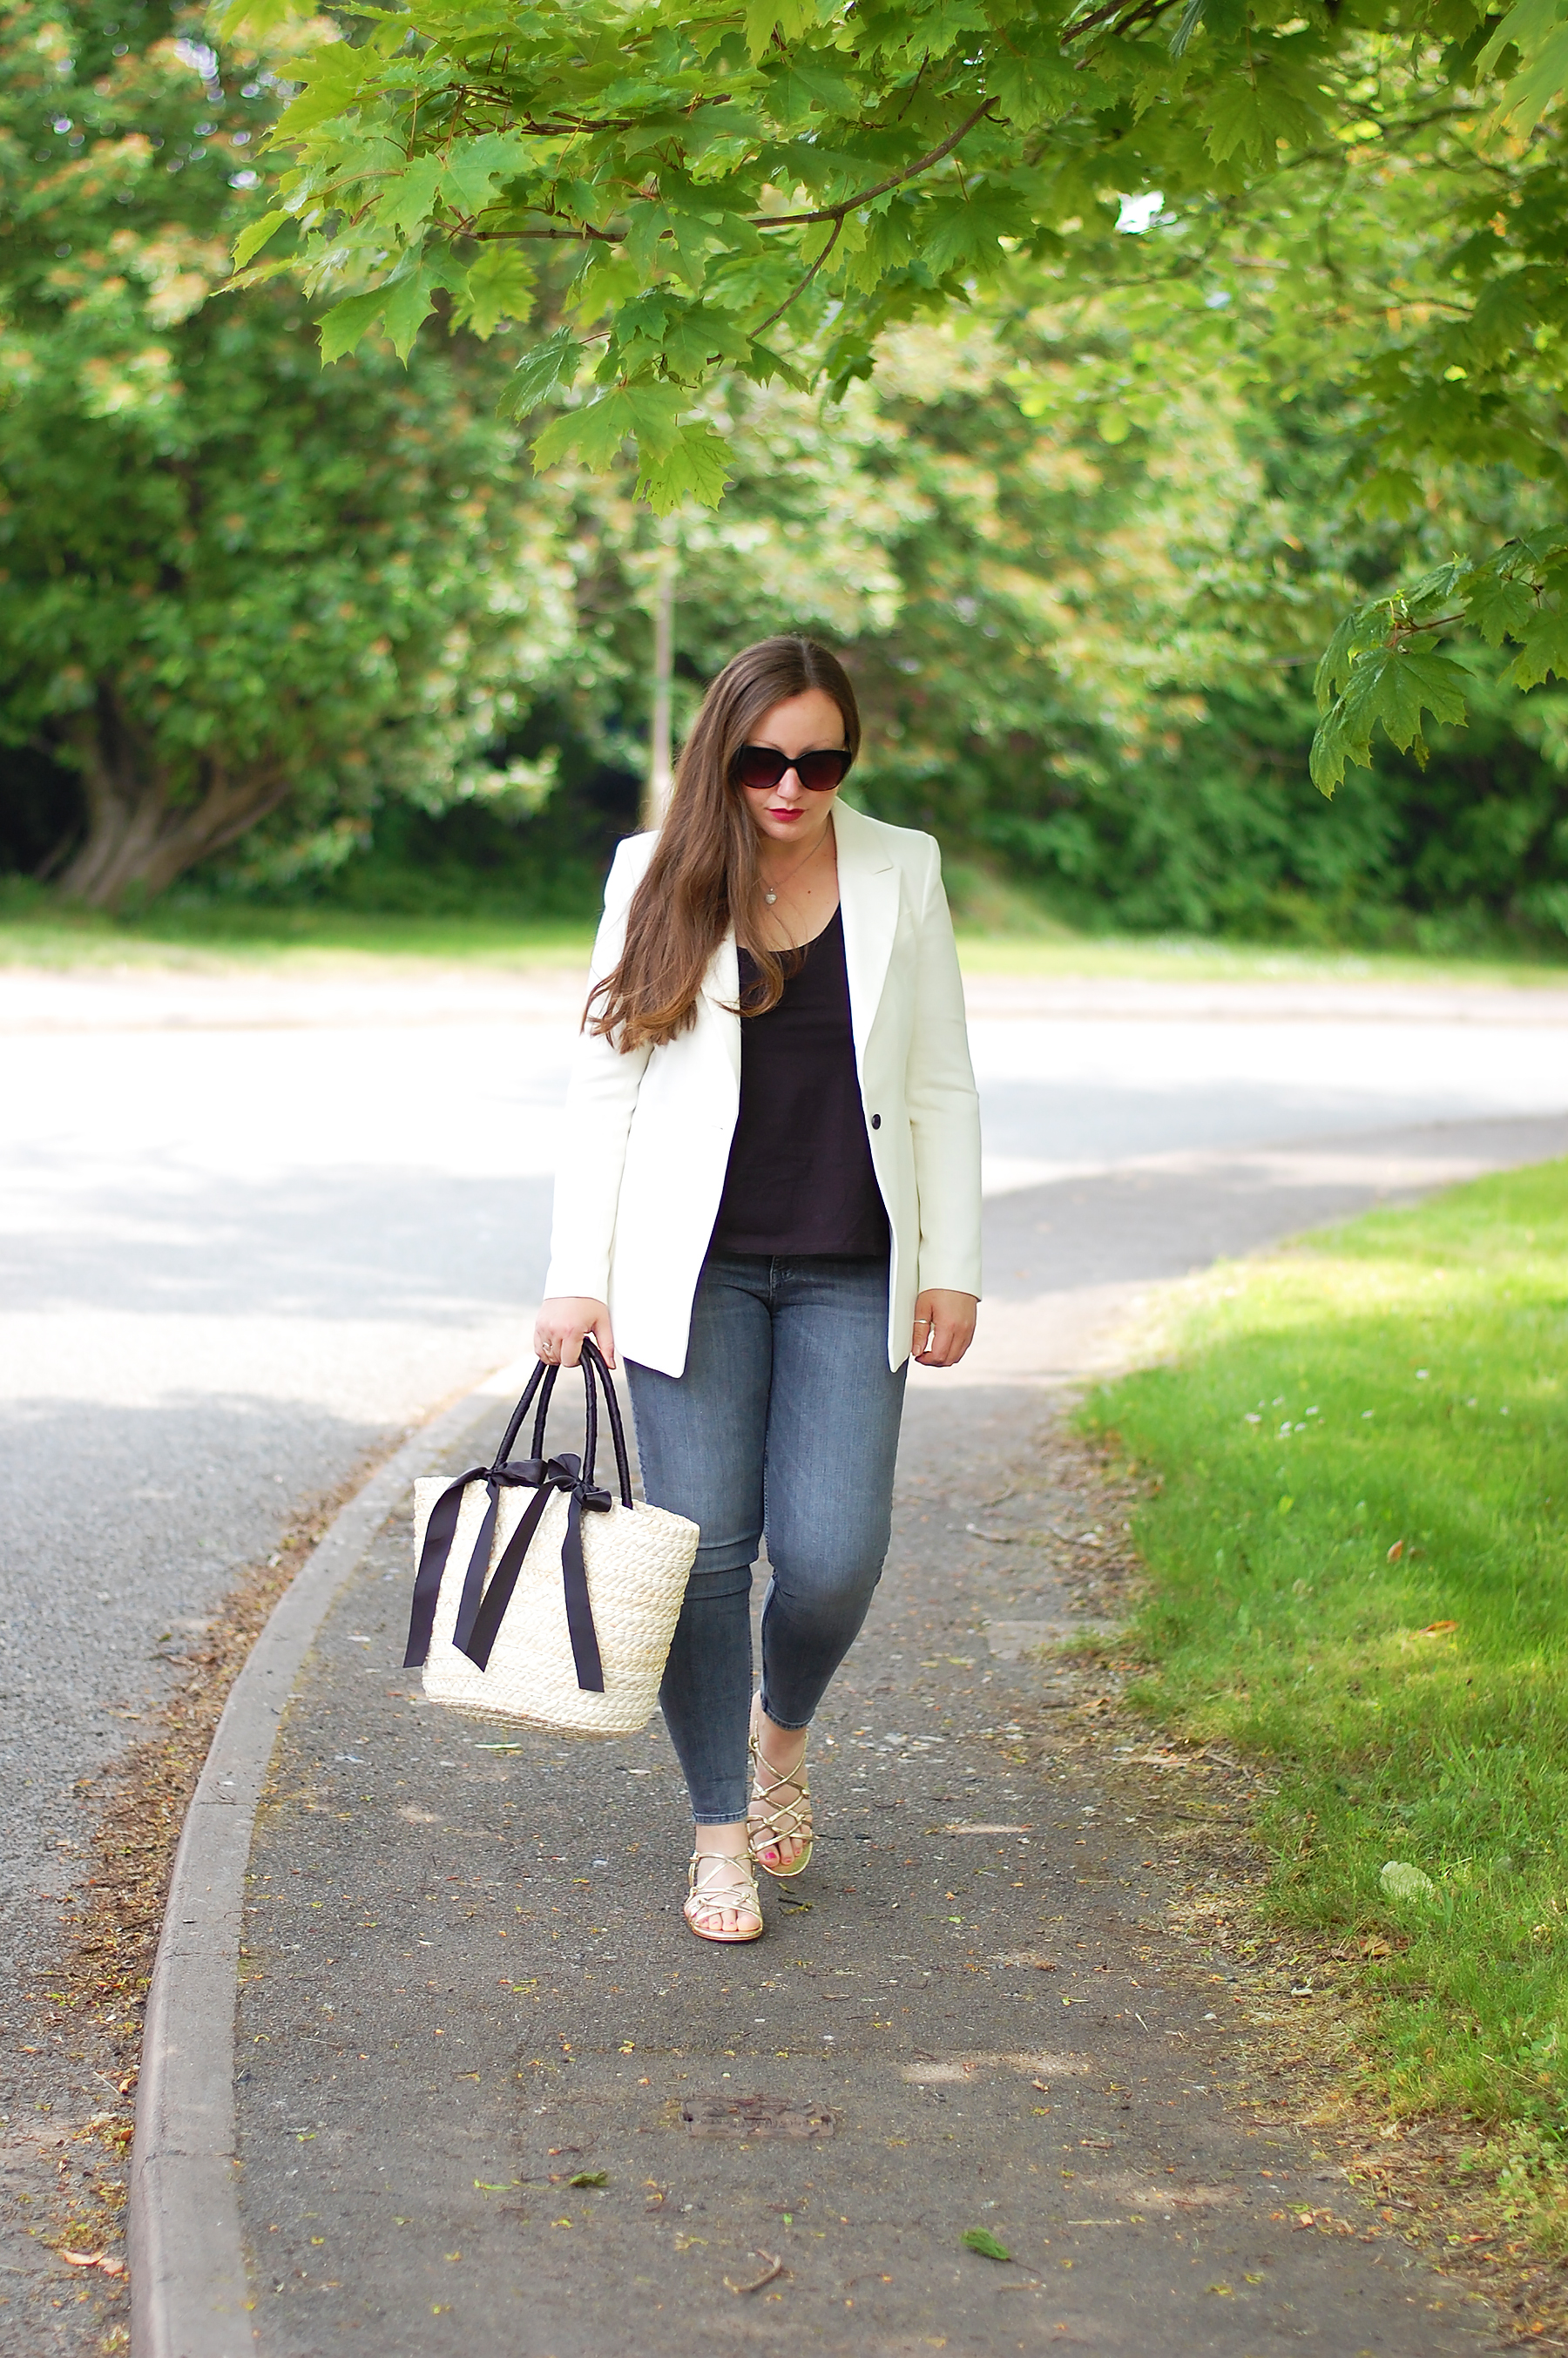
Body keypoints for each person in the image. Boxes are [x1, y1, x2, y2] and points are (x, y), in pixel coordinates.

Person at [535, 636, 982, 1943]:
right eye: (765, 761)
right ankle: (719, 1833)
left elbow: (943, 1077)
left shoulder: (903, 865)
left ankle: (780, 1734)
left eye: (821, 761)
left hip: (855, 1259)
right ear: (722, 750)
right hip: (696, 1269)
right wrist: (576, 1279)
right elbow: (605, 1080)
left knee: (835, 1557)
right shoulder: (657, 869)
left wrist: (952, 1263)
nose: (791, 787)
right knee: (704, 1557)